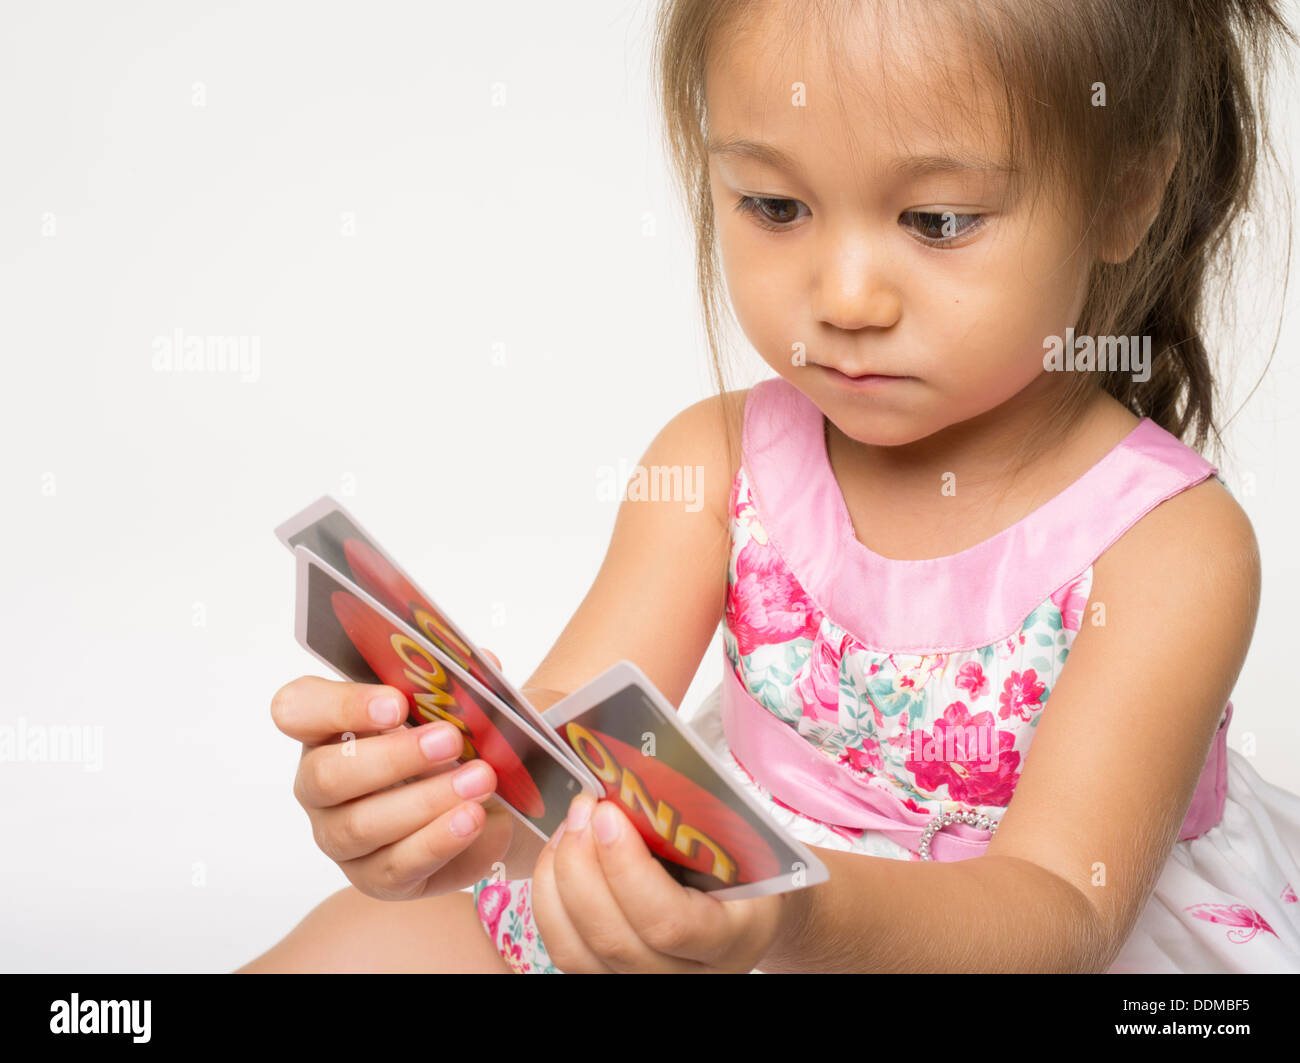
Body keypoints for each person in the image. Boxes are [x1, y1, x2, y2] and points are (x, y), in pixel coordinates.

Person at [238, 0, 1300, 973]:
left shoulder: (1168, 544)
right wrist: (440, 807)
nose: (844, 298)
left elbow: (1057, 913)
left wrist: (793, 910)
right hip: (728, 894)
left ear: (1125, 198)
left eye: (937, 222)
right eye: (776, 204)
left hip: (987, 947)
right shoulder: (713, 462)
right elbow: (562, 769)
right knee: (361, 944)